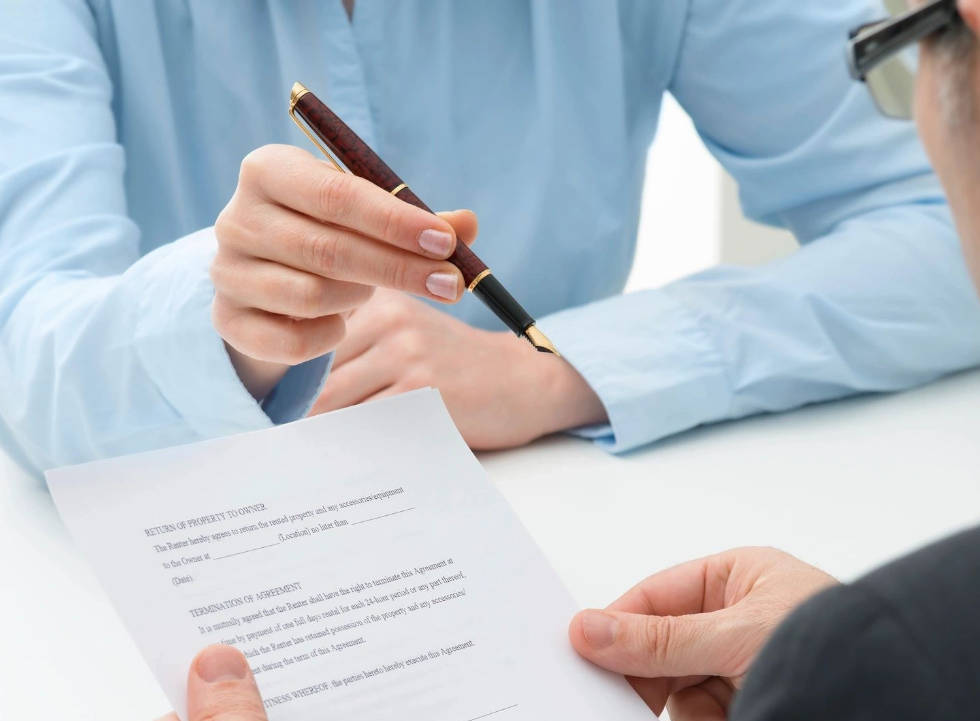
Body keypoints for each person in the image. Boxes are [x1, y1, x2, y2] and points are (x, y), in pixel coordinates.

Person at [95, 1, 980, 721]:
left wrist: (560, 369)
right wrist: (225, 319)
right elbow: (28, 325)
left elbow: (924, 218)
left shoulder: (903, 685)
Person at [3, 2, 980, 477]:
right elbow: (24, 343)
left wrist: (558, 374)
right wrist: (231, 321)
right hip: (168, 577)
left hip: (547, 518)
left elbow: (946, 218)